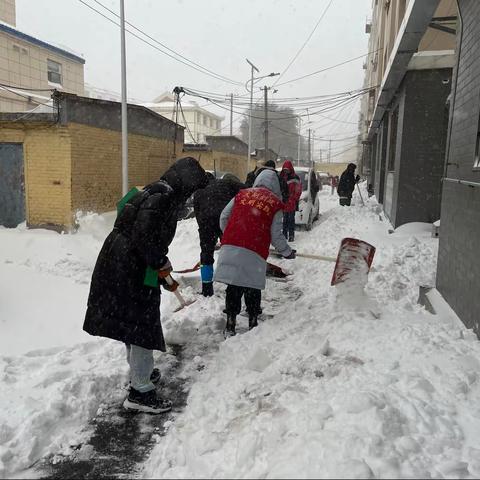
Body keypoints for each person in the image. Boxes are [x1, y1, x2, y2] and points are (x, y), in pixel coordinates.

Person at [83, 157, 209, 414]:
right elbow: (145, 236)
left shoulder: (155, 189)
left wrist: (160, 264)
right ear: (187, 183)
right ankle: (140, 391)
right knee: (141, 324)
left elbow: (142, 231)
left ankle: (142, 373)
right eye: (193, 189)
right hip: (130, 265)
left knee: (133, 321)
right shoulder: (163, 198)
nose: (191, 196)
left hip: (122, 260)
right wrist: (159, 262)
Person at [214, 169, 295, 337]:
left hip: (232, 245)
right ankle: (252, 321)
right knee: (252, 286)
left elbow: (223, 217)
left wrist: (230, 235)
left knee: (234, 285)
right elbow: (276, 235)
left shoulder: (242, 194)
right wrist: (287, 252)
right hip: (255, 250)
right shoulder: (275, 203)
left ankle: (230, 322)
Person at [193, 177, 245, 297]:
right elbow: (246, 190)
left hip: (206, 221)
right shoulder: (228, 182)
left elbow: (198, 213)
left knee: (206, 253)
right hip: (225, 218)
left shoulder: (200, 191)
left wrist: (206, 233)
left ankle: (206, 289)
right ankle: (233, 285)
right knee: (231, 250)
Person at [279, 160, 302, 242]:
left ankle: (291, 235)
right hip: (283, 202)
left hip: (292, 202)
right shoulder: (281, 177)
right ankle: (284, 234)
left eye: (287, 169)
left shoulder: (295, 178)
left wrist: (294, 198)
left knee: (291, 219)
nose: (286, 171)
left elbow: (298, 189)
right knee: (284, 219)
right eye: (284, 169)